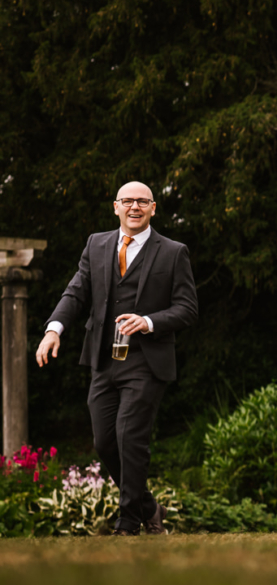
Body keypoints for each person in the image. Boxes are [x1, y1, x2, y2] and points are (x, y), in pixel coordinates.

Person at [35, 182, 198, 535]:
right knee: (104, 442)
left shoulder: (173, 252)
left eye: (142, 201)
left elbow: (187, 309)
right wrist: (54, 330)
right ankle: (150, 506)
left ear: (153, 208)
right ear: (116, 207)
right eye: (128, 201)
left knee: (129, 436)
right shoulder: (97, 244)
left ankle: (129, 523)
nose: (134, 207)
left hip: (146, 361)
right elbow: (76, 291)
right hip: (103, 360)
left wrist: (149, 321)